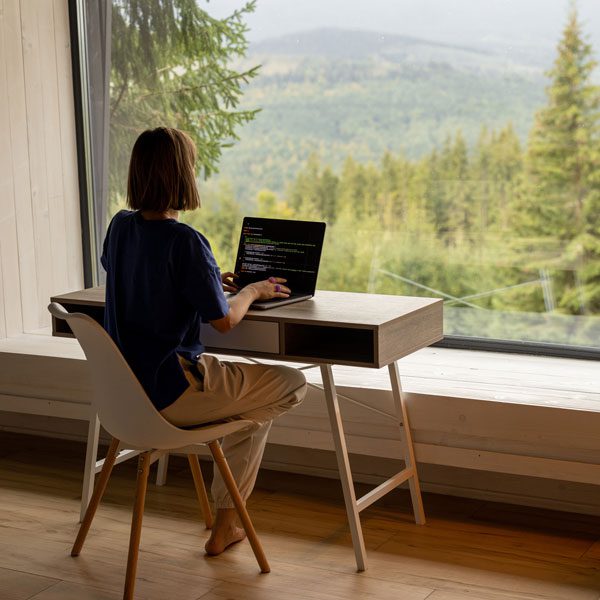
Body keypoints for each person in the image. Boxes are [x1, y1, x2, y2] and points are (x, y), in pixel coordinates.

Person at [101, 127, 307, 556]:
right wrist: (253, 291)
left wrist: (208, 281)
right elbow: (225, 321)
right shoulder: (187, 241)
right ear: (182, 175)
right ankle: (227, 522)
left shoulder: (119, 228)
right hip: (174, 390)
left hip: (125, 399)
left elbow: (136, 273)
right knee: (290, 385)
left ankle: (227, 520)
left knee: (249, 406)